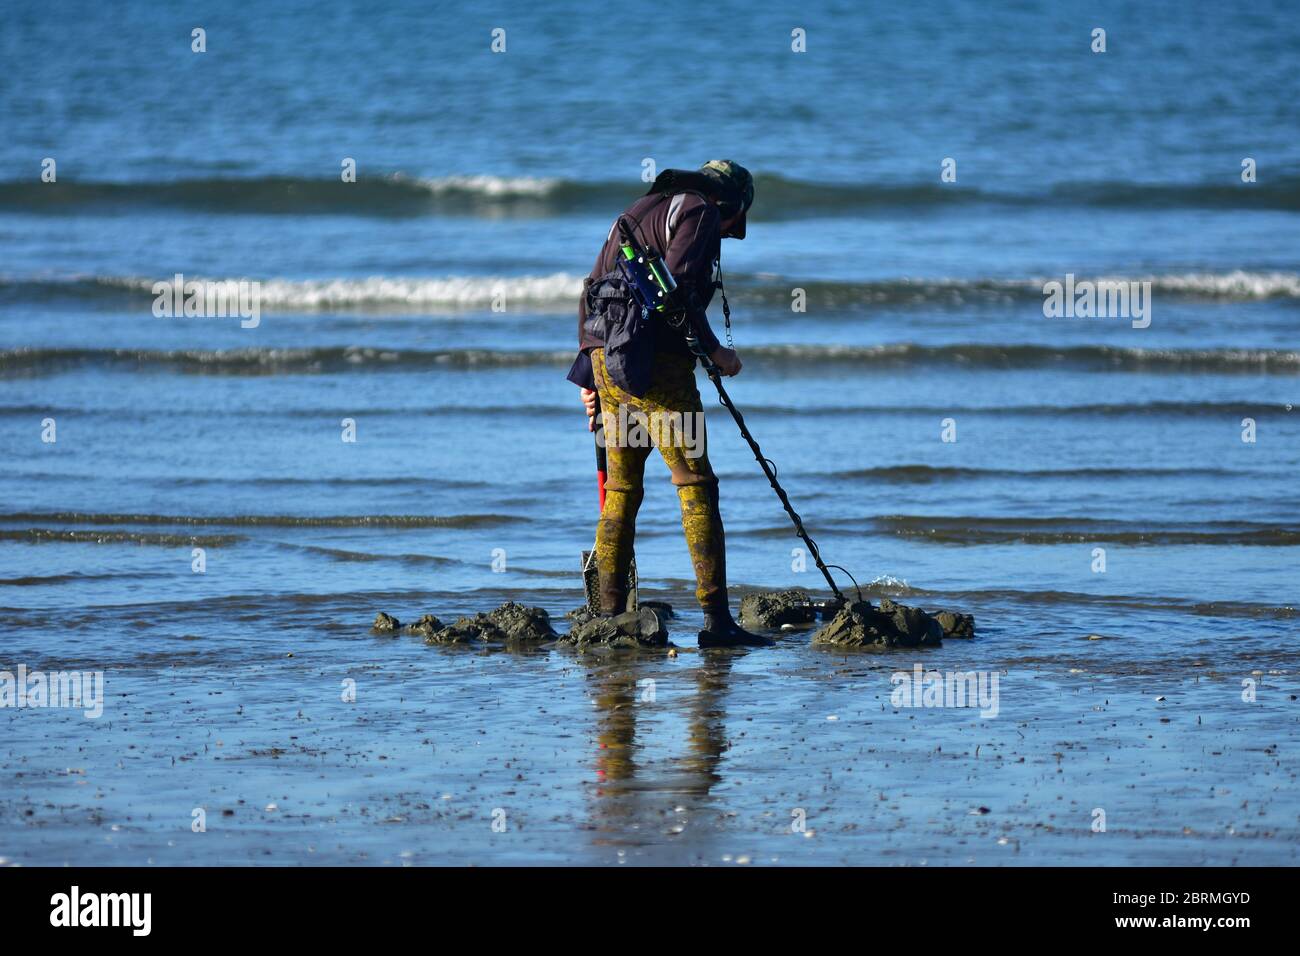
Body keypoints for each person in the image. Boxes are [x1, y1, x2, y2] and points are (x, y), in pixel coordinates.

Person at [567, 160, 772, 648]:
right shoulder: (699, 210)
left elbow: (590, 289)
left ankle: (611, 615)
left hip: (609, 364)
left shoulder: (639, 209)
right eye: (735, 222)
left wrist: (588, 372)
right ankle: (717, 623)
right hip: (656, 368)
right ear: (730, 205)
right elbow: (672, 294)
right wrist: (714, 351)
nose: (729, 232)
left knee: (622, 489)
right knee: (696, 483)